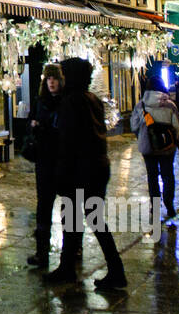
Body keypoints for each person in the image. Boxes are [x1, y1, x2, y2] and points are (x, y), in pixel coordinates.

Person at [46, 58, 126, 290]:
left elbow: (69, 140)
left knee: (78, 218)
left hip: (80, 169)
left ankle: (110, 270)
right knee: (88, 218)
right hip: (96, 167)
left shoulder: (72, 101)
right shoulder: (91, 99)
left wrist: (62, 172)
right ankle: (69, 267)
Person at [130, 75, 179, 231]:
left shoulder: (140, 106)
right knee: (168, 175)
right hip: (167, 148)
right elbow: (178, 127)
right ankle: (169, 203)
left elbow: (134, 125)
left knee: (152, 177)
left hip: (148, 148)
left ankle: (155, 206)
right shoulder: (169, 106)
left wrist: (142, 136)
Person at [25, 64, 64, 268]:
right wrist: (33, 127)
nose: (51, 82)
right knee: (44, 205)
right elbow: (31, 123)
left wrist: (44, 127)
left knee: (70, 204)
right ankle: (41, 251)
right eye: (48, 78)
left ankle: (73, 247)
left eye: (55, 78)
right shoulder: (41, 102)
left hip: (63, 160)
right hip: (44, 161)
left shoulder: (66, 102)